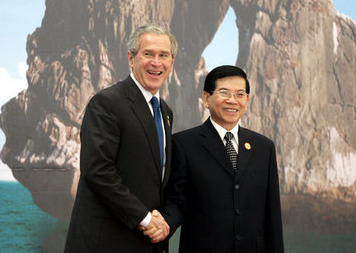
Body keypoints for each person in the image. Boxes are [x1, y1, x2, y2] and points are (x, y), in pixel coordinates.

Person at [64, 24, 177, 253]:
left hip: (146, 244)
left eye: (163, 55)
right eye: (148, 54)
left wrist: (162, 222)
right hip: (106, 243)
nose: (156, 63)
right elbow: (98, 171)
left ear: (171, 62)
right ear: (131, 58)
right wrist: (146, 219)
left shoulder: (165, 112)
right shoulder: (107, 103)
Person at [150, 65, 284, 252]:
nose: (232, 101)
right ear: (206, 98)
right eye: (224, 93)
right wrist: (161, 225)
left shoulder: (264, 147)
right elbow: (177, 201)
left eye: (239, 94)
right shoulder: (184, 144)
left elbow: (272, 217)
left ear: (247, 100)